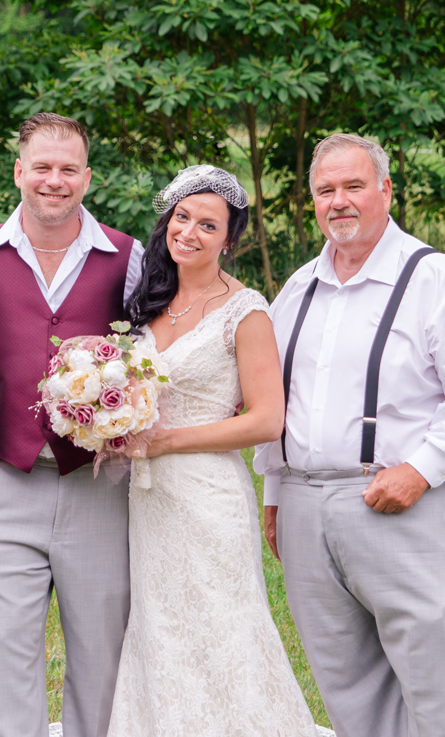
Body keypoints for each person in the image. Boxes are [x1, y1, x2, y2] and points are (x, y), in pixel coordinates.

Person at [255, 134, 445, 737]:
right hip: (305, 505)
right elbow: (280, 398)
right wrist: (275, 493)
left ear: (386, 190)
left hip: (406, 502)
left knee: (430, 677)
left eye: (354, 186)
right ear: (312, 202)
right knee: (345, 681)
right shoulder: (299, 287)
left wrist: (422, 470)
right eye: (325, 190)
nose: (339, 201)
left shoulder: (433, 279)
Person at [0, 113, 145, 737]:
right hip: (6, 481)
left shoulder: (128, 257)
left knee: (101, 657)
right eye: (42, 167)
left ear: (87, 178)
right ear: (19, 172)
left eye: (68, 169)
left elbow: (167, 339)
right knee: (5, 656)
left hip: (99, 485)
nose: (54, 180)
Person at [109, 165, 321, 737]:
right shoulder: (150, 300)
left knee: (222, 625)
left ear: (229, 239)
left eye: (208, 225)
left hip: (209, 494)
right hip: (150, 500)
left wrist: (168, 441)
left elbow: (267, 419)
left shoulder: (245, 310)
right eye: (182, 218)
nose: (190, 233)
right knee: (161, 626)